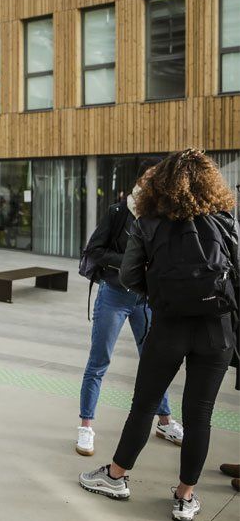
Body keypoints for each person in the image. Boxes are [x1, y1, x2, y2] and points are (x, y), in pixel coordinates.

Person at [80, 149, 239, 521]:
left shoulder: (149, 222)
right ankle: (185, 497)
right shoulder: (226, 221)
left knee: (144, 404)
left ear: (162, 183)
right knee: (200, 414)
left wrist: (160, 289)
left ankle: (116, 477)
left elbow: (129, 277)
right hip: (216, 330)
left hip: (168, 325)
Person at [76, 158, 181, 457]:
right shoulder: (119, 211)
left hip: (144, 299)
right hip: (114, 295)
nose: (153, 183)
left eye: (157, 178)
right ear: (139, 180)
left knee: (154, 361)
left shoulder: (161, 215)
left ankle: (164, 420)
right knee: (99, 361)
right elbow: (94, 251)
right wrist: (131, 262)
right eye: (149, 177)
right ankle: (86, 425)